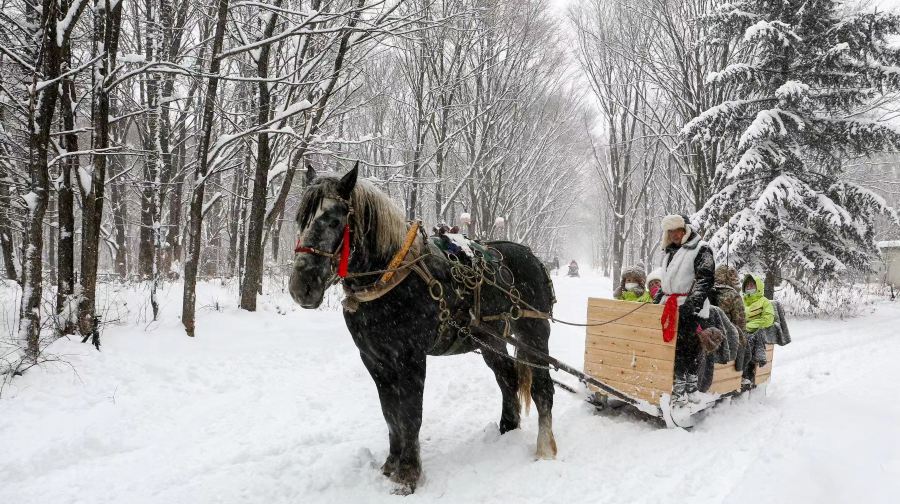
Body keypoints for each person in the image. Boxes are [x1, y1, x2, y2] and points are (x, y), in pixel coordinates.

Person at [656, 214, 715, 405]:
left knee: (688, 349)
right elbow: (667, 283)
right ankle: (677, 387)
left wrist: (692, 305)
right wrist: (659, 299)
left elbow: (705, 279)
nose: (673, 234)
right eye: (670, 231)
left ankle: (689, 389)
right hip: (671, 307)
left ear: (686, 229)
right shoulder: (669, 252)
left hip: (692, 309)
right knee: (674, 348)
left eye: (677, 230)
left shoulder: (701, 249)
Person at [742, 274, 775, 387]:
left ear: (758, 287)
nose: (749, 287)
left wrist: (749, 326)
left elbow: (768, 319)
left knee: (747, 341)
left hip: (757, 332)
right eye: (747, 285)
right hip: (741, 330)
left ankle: (747, 373)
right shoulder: (741, 300)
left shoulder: (764, 301)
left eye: (752, 285)